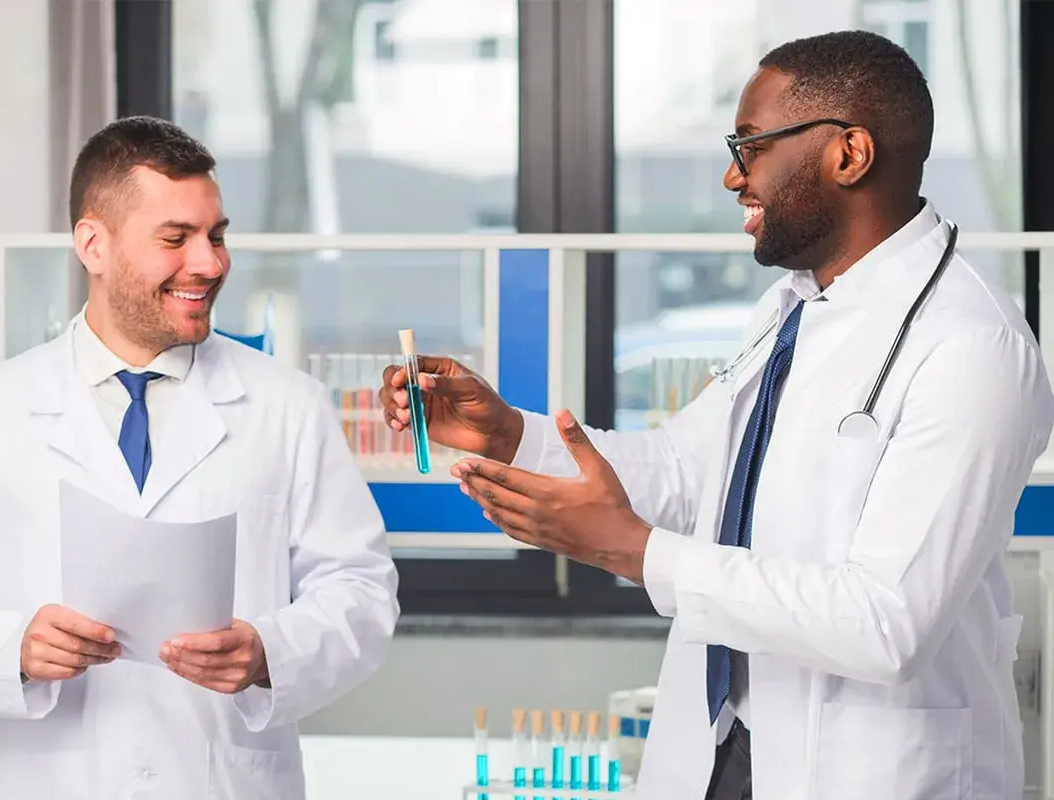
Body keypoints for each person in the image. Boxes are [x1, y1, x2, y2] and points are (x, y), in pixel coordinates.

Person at [381, 31, 1053, 800]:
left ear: (849, 154)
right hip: (727, 752)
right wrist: (510, 434)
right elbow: (685, 471)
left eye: (750, 146)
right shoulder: (790, 308)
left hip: (870, 770)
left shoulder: (972, 346)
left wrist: (636, 553)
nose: (734, 176)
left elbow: (886, 621)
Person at [0, 116, 399, 799]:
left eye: (216, 236)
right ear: (93, 244)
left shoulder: (287, 407)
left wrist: (270, 651)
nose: (209, 264)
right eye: (176, 239)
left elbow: (362, 591)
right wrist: (15, 647)